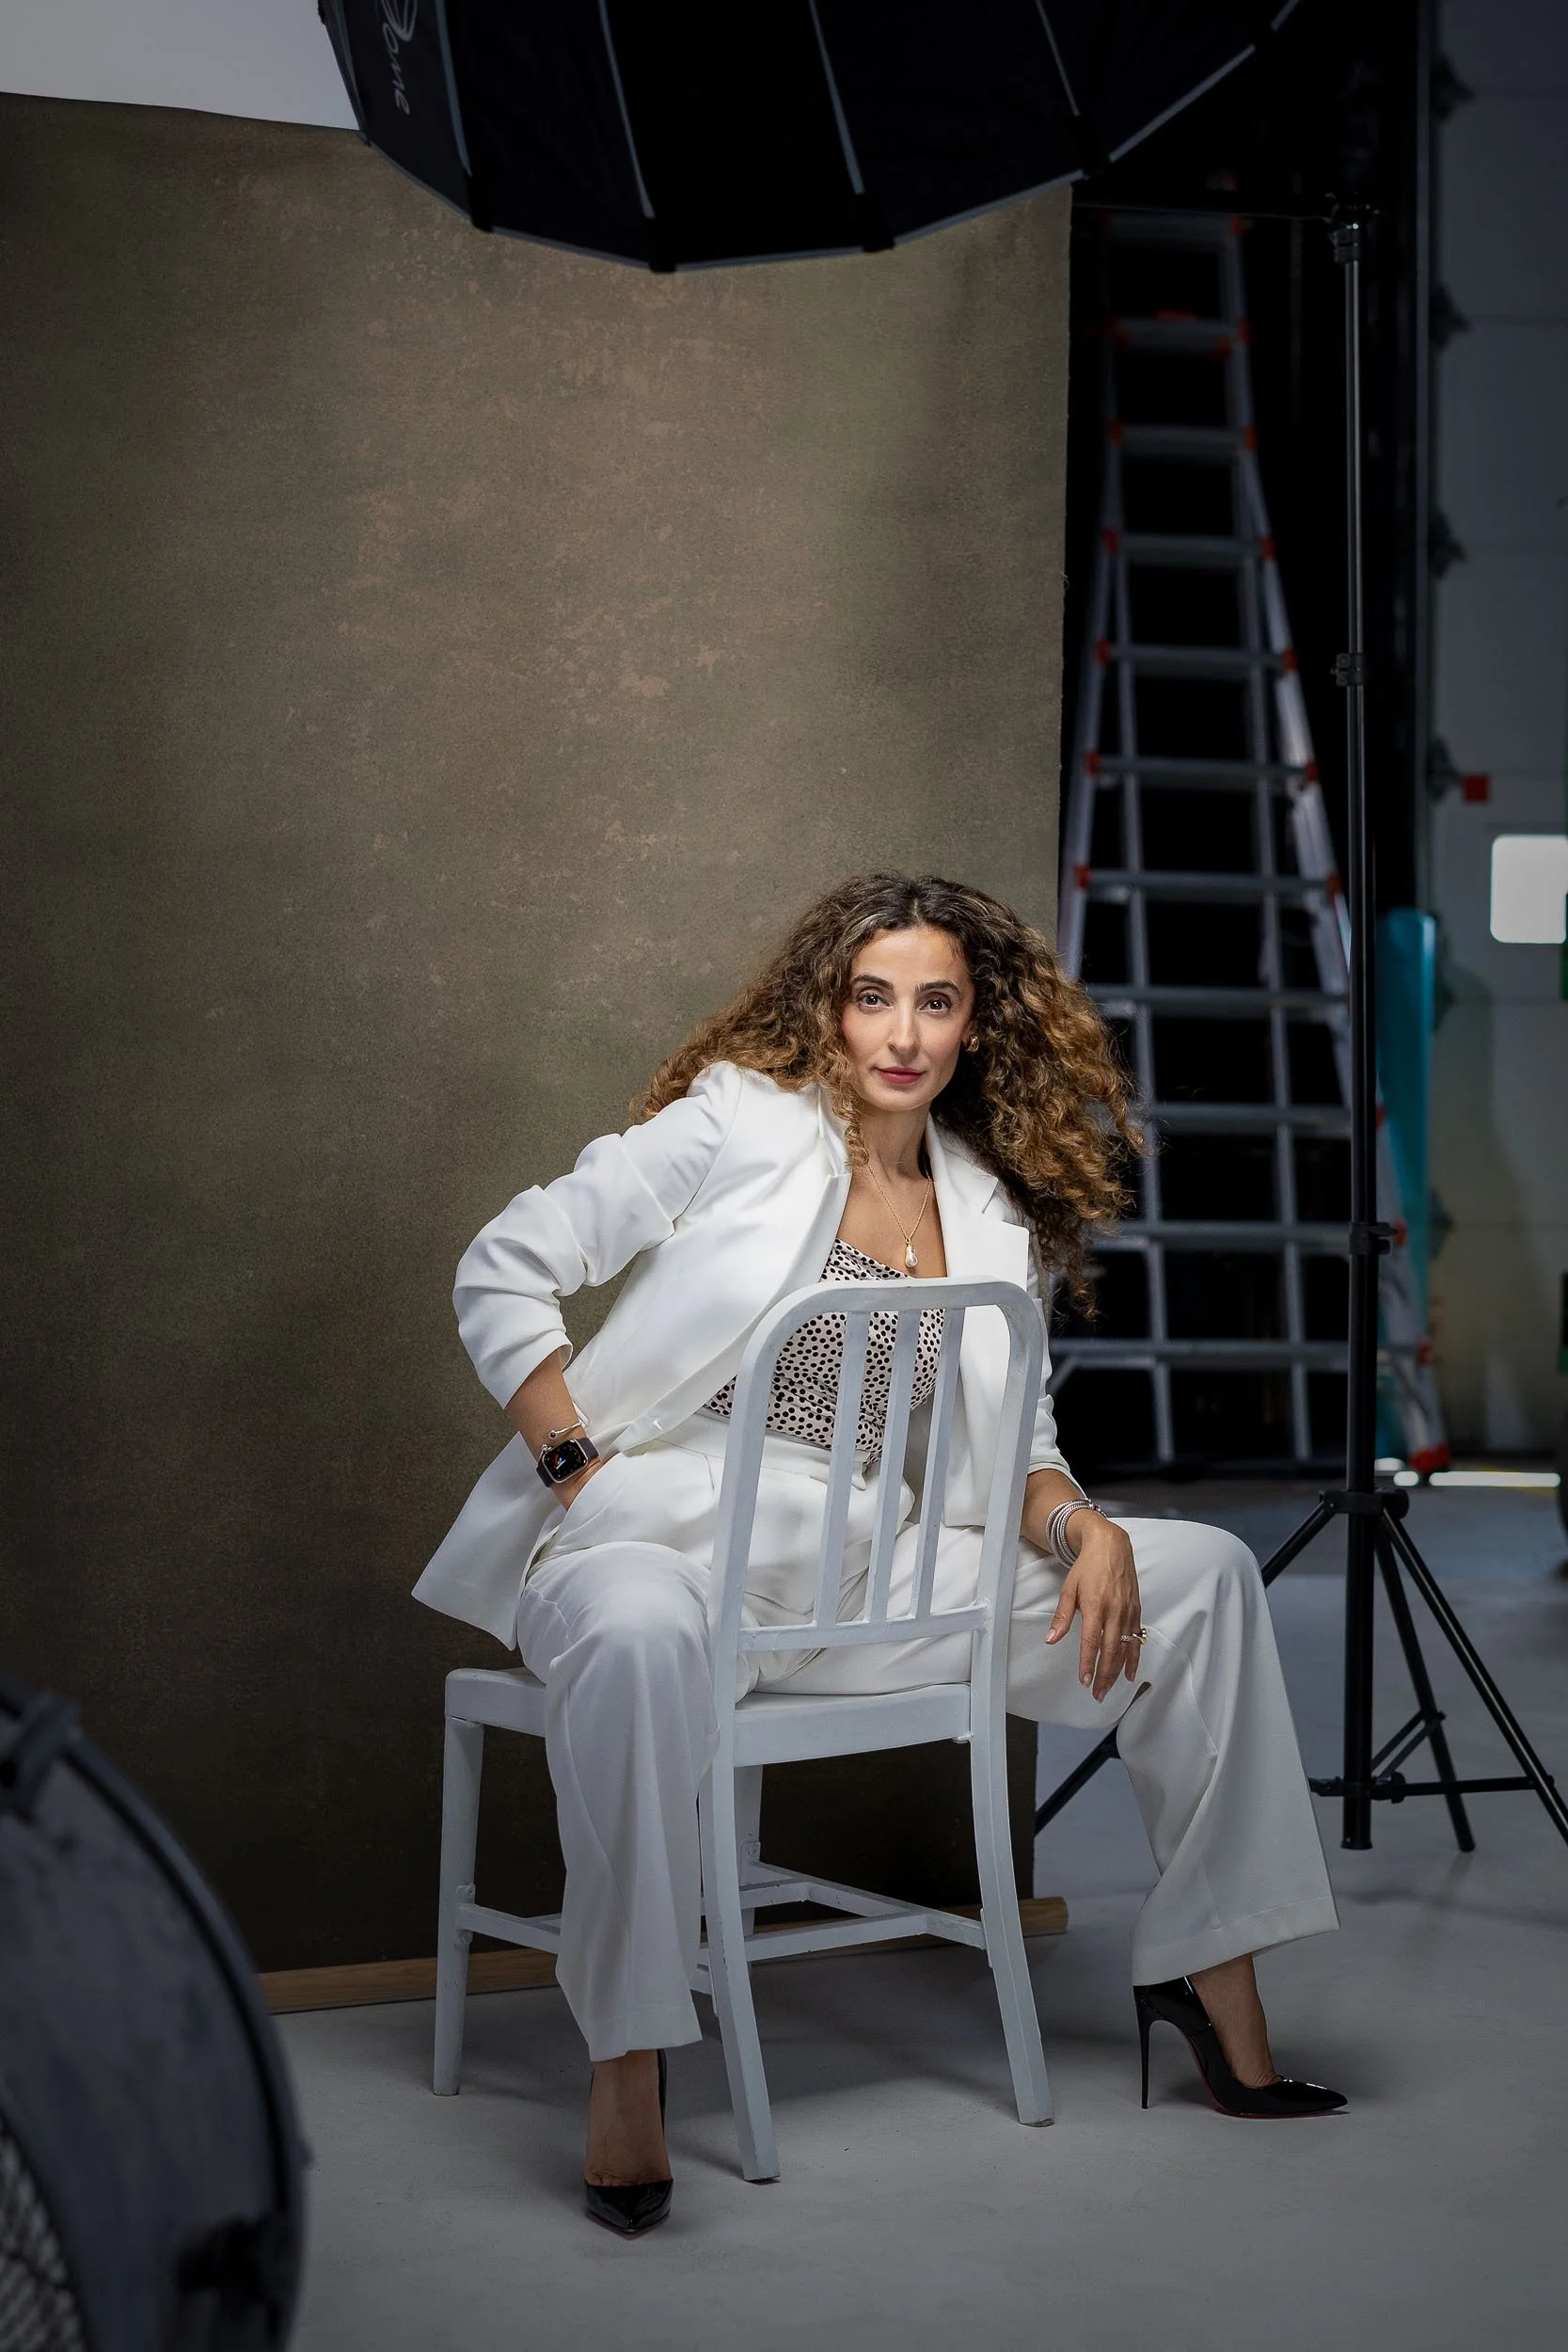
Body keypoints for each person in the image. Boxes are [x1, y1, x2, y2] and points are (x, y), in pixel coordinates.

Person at [415, 873, 1343, 2234]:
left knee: (1195, 1572)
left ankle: (1215, 1981)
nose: (900, 1033)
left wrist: (1081, 1527)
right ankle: (626, 2055)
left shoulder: (989, 1211)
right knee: (627, 1633)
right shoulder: (738, 1121)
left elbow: (1018, 1448)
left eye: (935, 1002)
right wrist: (573, 1465)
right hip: (659, 1539)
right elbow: (504, 1263)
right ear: (827, 1011)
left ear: (975, 1026)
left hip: (867, 1574)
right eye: (870, 998)